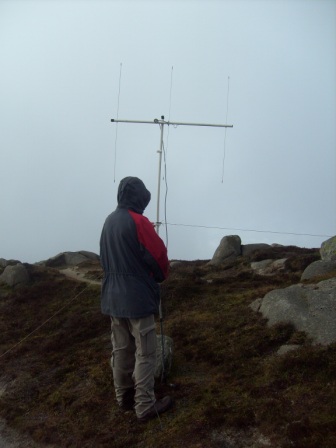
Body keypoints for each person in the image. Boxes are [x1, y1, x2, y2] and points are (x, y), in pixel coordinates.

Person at [100, 176, 172, 422]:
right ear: (139, 197)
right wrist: (159, 276)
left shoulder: (109, 221)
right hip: (137, 299)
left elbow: (105, 260)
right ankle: (144, 405)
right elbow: (159, 257)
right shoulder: (139, 222)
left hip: (112, 297)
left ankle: (124, 397)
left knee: (121, 349)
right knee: (146, 352)